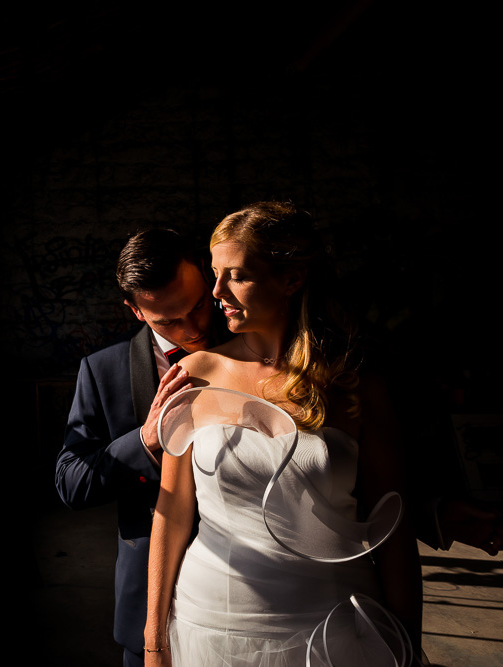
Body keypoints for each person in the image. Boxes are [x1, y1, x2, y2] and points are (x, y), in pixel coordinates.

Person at [144, 202, 422, 666]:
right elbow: (171, 514)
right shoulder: (195, 375)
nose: (216, 291)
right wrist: (154, 639)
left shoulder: (353, 382)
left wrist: (407, 643)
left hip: (330, 626)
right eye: (215, 273)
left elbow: (394, 530)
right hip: (211, 622)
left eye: (236, 275)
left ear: (291, 279)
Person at [56, 228, 225, 667]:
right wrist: (145, 442)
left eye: (200, 305)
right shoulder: (101, 371)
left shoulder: (257, 346)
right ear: (135, 310)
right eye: (168, 321)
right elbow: (70, 483)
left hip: (246, 588)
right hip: (148, 599)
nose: (193, 329)